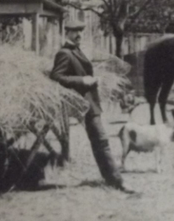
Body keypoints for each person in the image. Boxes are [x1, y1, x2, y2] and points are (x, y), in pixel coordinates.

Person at [51, 19, 129, 192]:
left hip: (90, 102)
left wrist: (94, 79)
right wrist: (83, 80)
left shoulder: (77, 51)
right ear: (67, 33)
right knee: (101, 140)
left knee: (99, 141)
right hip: (82, 103)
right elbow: (56, 76)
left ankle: (111, 178)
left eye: (80, 31)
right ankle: (116, 181)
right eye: (74, 32)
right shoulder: (64, 53)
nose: (78, 35)